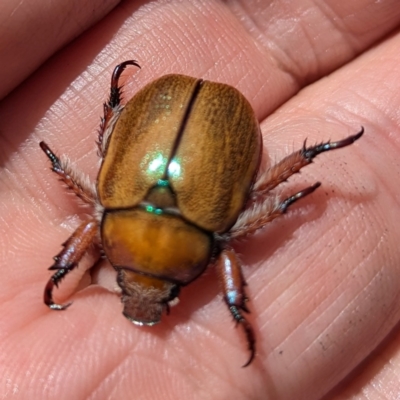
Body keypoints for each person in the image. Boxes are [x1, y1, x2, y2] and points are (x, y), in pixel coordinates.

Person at [1, 1, 399, 398]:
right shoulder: (116, 216)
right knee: (257, 201)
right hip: (204, 121)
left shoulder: (107, 218)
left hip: (181, 114)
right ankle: (308, 156)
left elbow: (250, 225)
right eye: (168, 288)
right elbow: (254, 221)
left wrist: (62, 270)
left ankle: (306, 156)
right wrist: (234, 302)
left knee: (256, 202)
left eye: (126, 277)